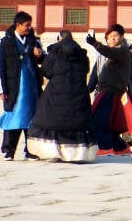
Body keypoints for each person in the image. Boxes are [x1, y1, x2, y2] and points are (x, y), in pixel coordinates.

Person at [26, 30, 97, 162]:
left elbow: (46, 71)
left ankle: (54, 152)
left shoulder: (54, 54)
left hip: (56, 92)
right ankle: (76, 154)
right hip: (78, 93)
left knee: (52, 122)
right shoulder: (82, 55)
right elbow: (85, 70)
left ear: (59, 39)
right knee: (76, 123)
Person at [0, 11, 44, 161]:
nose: (29, 28)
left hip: (32, 87)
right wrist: (1, 89)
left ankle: (30, 150)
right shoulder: (5, 41)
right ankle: (9, 150)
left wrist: (40, 53)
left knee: (32, 119)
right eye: (27, 25)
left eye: (30, 25)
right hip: (13, 86)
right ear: (18, 25)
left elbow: (43, 60)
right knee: (13, 117)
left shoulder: (34, 40)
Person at [84, 24, 132, 156]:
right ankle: (120, 147)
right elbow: (95, 73)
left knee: (99, 119)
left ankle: (105, 147)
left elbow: (109, 51)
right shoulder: (112, 53)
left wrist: (95, 43)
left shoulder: (121, 50)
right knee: (110, 121)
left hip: (111, 90)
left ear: (122, 37)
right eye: (110, 37)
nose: (112, 39)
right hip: (108, 90)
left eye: (115, 36)